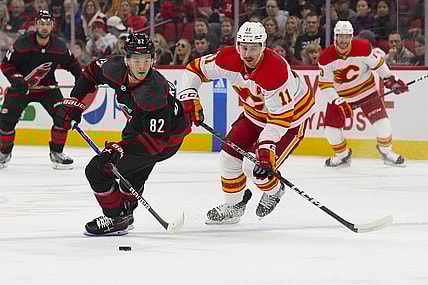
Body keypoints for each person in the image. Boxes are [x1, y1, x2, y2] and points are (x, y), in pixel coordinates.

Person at [177, 21, 316, 224]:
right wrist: (189, 97)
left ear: (263, 46)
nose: (247, 53)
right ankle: (234, 205)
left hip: (290, 121)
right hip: (253, 115)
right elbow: (194, 70)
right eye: (243, 46)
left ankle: (276, 190)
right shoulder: (227, 58)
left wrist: (266, 148)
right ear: (237, 44)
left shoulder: (275, 70)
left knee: (254, 167)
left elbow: (281, 117)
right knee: (227, 158)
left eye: (253, 48)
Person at [54, 32, 191, 236]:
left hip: (167, 138)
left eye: (147, 60)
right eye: (136, 60)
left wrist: (120, 148)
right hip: (138, 125)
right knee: (131, 173)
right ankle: (125, 214)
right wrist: (76, 101)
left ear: (153, 59)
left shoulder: (154, 92)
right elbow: (91, 72)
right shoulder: (112, 67)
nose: (142, 66)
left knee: (98, 169)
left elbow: (155, 143)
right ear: (126, 59)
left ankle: (115, 219)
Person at [318, 21, 408, 168]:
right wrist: (336, 101)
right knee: (331, 131)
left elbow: (378, 65)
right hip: (341, 97)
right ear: (335, 37)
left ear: (351, 37)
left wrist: (390, 79)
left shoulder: (363, 47)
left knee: (383, 124)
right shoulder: (326, 57)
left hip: (366, 91)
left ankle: (386, 152)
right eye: (340, 36)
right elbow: (325, 84)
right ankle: (343, 156)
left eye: (347, 36)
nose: (344, 40)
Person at [0, 9, 81, 169]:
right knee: (5, 120)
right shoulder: (22, 43)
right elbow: (6, 64)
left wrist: (81, 80)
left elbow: (73, 65)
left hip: (47, 89)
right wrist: (17, 78)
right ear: (36, 25)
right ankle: (4, 153)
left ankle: (57, 153)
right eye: (41, 23)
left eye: (48, 24)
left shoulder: (59, 46)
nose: (44, 27)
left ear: (52, 26)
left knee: (62, 116)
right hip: (21, 89)